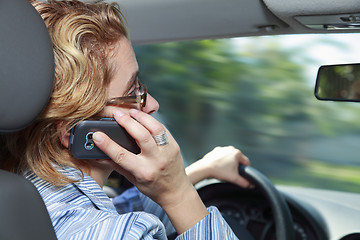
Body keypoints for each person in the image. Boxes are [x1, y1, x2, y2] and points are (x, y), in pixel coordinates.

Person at [0, 0, 251, 239]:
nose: (152, 104)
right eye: (133, 92)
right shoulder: (122, 233)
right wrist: (179, 195)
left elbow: (112, 205)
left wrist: (201, 170)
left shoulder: (27, 195)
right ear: (74, 132)